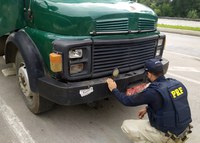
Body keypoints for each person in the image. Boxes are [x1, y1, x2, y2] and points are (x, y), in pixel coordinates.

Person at [106, 58, 192, 143]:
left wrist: (114, 89)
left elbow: (126, 100)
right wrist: (147, 109)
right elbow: (171, 103)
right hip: (183, 132)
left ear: (149, 74)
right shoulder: (176, 83)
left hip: (168, 137)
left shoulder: (152, 92)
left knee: (126, 126)